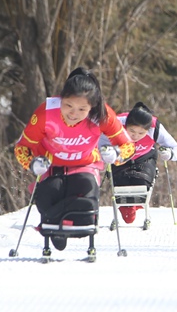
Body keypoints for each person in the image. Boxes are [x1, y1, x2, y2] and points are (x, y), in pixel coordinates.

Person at [14, 67, 134, 251]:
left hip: (85, 165)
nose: (73, 113)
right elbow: (22, 147)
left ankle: (56, 220)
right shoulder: (46, 113)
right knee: (47, 194)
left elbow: (128, 146)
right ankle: (54, 223)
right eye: (68, 105)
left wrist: (116, 154)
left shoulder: (102, 115)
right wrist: (32, 163)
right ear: (61, 98)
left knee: (86, 196)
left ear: (91, 107)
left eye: (82, 109)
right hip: (52, 166)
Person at [99, 102, 177, 223]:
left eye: (141, 133)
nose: (135, 136)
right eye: (132, 131)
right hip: (120, 158)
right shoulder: (116, 124)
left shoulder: (155, 128)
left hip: (144, 156)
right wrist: (108, 154)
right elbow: (98, 147)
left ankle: (136, 205)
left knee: (141, 184)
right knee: (121, 188)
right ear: (126, 125)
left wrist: (169, 154)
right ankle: (126, 208)